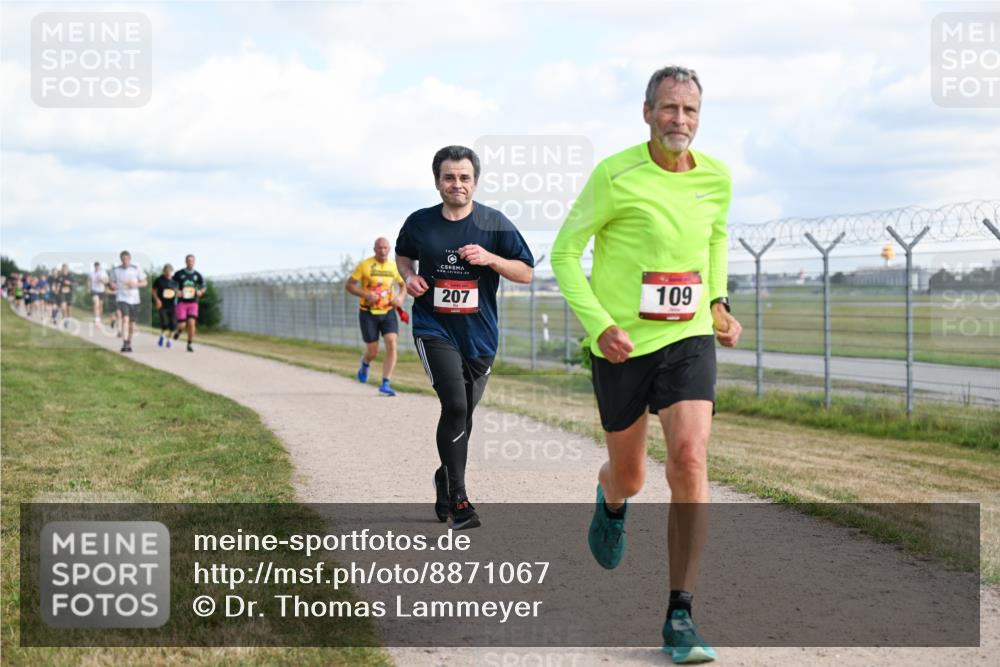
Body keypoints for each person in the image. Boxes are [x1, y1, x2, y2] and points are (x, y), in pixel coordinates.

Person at [551, 66, 742, 664]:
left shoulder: (717, 177)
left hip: (687, 340)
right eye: (668, 109)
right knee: (631, 475)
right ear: (646, 112)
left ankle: (680, 614)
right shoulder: (615, 173)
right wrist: (599, 324)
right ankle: (612, 499)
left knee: (689, 458)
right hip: (622, 348)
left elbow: (714, 238)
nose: (679, 120)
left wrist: (716, 301)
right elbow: (562, 254)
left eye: (689, 110)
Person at [395, 145, 534, 530]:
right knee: (455, 404)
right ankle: (459, 499)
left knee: (464, 415)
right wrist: (409, 277)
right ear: (437, 181)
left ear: (475, 181)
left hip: (480, 337)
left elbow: (525, 272)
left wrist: (491, 259)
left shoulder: (494, 223)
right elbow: (403, 255)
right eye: (449, 177)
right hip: (433, 328)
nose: (457, 184)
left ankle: (444, 477)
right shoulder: (420, 222)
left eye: (464, 177)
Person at [346, 237, 406, 396]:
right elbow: (349, 285)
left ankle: (385, 383)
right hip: (368, 313)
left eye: (386, 248)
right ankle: (365, 363)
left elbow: (404, 285)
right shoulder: (365, 265)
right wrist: (365, 294)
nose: (383, 251)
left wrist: (400, 298)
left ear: (389, 249)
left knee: (392, 342)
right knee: (373, 351)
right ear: (374, 249)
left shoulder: (394, 266)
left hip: (388, 312)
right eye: (380, 248)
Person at [109, 250, 147, 353]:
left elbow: (145, 282)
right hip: (122, 298)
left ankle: (129, 342)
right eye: (123, 259)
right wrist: (113, 285)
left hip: (135, 299)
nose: (125, 261)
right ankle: (125, 342)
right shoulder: (116, 270)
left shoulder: (136, 269)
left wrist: (136, 285)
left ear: (130, 259)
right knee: (125, 319)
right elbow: (111, 282)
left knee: (132, 324)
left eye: (127, 259)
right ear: (121, 260)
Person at [172, 254, 205, 353]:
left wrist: (201, 291)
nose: (190, 262)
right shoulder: (179, 274)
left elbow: (203, 286)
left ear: (194, 262)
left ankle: (189, 344)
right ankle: (179, 331)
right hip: (182, 302)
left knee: (191, 323)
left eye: (192, 261)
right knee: (182, 325)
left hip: (193, 302)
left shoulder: (197, 275)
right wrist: (176, 291)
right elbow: (172, 284)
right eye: (188, 261)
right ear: (185, 262)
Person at [152, 264, 179, 348]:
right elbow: (153, 291)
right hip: (162, 305)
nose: (168, 273)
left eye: (169, 271)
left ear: (172, 272)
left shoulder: (175, 281)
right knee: (165, 323)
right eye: (166, 271)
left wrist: (177, 293)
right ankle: (162, 336)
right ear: (163, 271)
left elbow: (178, 292)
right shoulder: (159, 280)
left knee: (173, 324)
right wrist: (157, 300)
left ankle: (169, 340)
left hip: (172, 305)